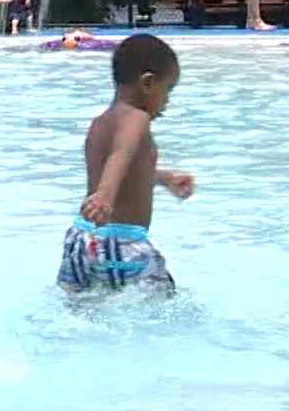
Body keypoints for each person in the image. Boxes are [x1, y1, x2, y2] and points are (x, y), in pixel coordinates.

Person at [59, 34, 196, 294]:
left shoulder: (99, 122)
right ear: (147, 83)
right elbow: (121, 154)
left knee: (82, 310)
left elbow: (122, 167)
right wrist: (105, 196)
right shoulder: (137, 118)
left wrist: (163, 178)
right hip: (122, 242)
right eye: (167, 91)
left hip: (81, 240)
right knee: (169, 306)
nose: (167, 102)